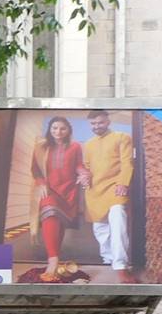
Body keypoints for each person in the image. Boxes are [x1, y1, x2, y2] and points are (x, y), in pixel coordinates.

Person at [77, 109, 136, 281]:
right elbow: (86, 167)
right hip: (95, 190)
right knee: (100, 228)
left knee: (118, 222)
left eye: (100, 122)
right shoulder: (88, 144)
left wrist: (123, 183)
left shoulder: (121, 137)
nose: (97, 126)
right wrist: (84, 177)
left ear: (108, 122)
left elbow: (127, 163)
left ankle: (120, 265)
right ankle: (108, 259)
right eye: (93, 124)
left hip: (115, 187)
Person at [30, 116, 85, 283]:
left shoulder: (75, 147)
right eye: (54, 128)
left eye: (62, 128)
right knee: (50, 215)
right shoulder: (41, 147)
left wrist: (84, 173)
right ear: (50, 129)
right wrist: (41, 183)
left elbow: (78, 165)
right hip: (49, 190)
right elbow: (35, 169)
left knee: (58, 223)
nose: (58, 132)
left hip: (69, 191)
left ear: (68, 130)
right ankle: (52, 261)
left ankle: (55, 256)